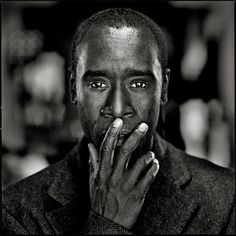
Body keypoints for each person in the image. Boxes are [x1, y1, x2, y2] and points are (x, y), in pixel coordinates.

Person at [2, 8, 235, 235]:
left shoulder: (227, 197)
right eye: (97, 84)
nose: (117, 109)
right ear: (74, 88)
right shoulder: (16, 212)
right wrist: (106, 223)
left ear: (163, 87)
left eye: (138, 84)